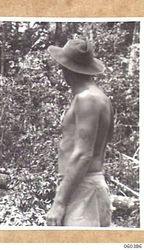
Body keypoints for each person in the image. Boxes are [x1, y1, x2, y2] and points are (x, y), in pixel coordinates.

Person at [46, 38, 114, 227]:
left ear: (67, 69)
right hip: (88, 185)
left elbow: (84, 154)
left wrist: (59, 203)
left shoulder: (86, 100)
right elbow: (106, 139)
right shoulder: (102, 98)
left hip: (83, 188)